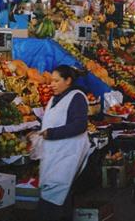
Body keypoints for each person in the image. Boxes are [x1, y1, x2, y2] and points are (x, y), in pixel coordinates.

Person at [37, 65, 90, 221]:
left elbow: (80, 125)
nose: (51, 84)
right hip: (54, 154)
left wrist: (52, 133)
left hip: (68, 154)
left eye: (56, 81)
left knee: (56, 190)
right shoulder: (54, 98)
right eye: (51, 81)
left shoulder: (77, 97)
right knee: (58, 194)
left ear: (68, 81)